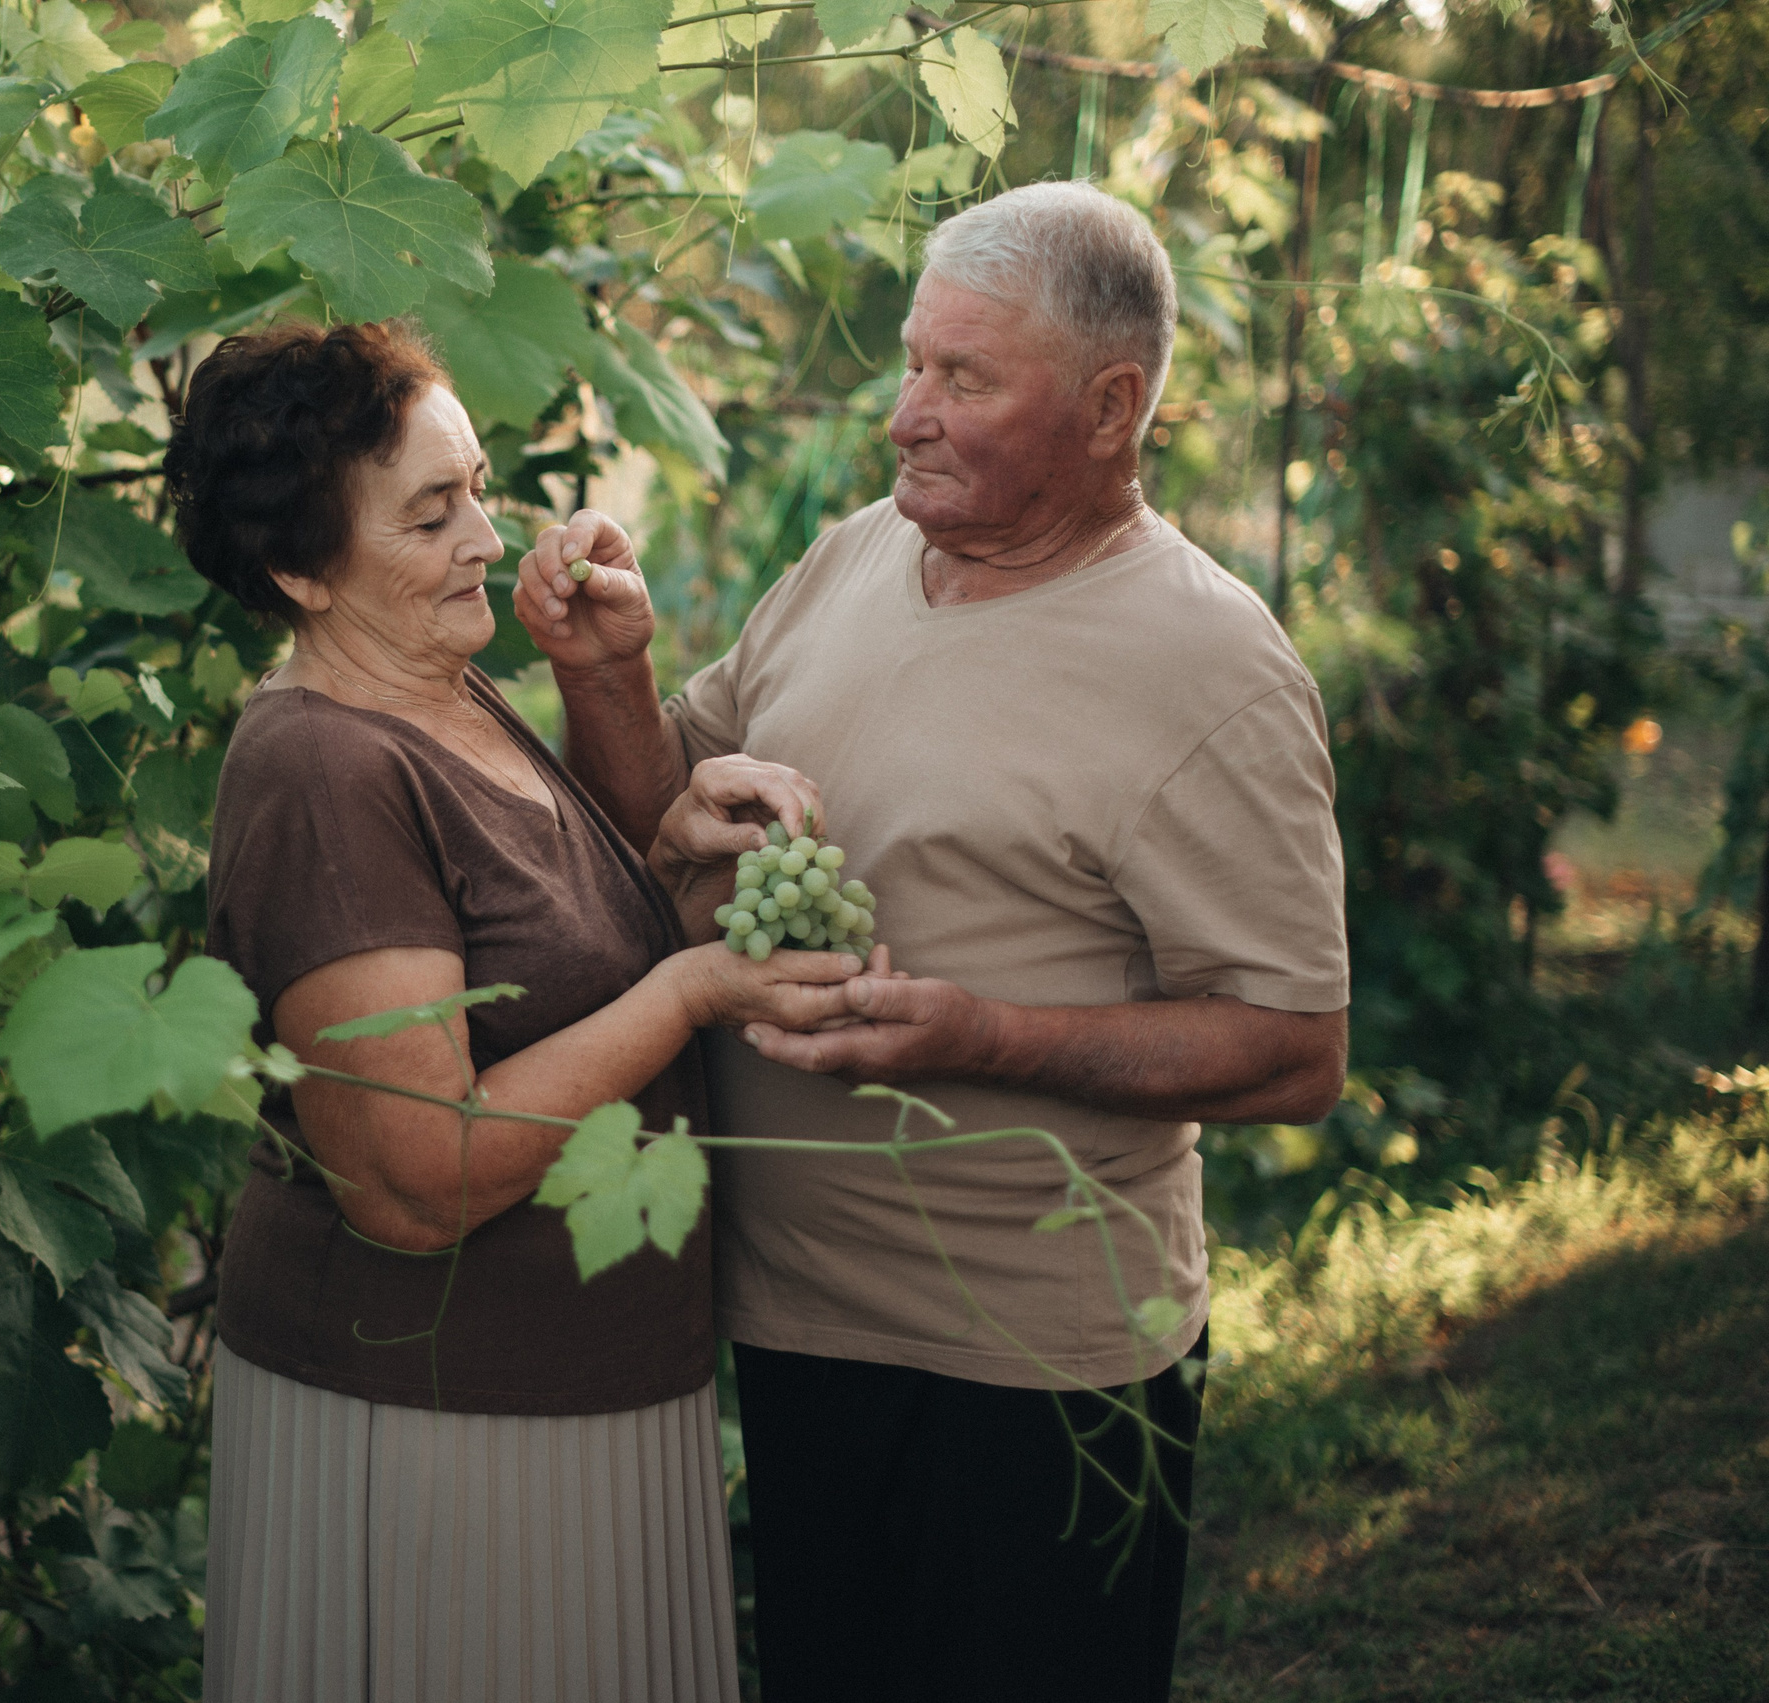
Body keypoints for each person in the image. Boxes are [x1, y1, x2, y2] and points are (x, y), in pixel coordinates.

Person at [512, 181, 1352, 1702]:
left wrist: (985, 1036)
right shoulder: (853, 562)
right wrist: (611, 680)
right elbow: (664, 832)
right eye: (913, 363)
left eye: (965, 379)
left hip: (1039, 1373)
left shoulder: (1212, 665)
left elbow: (1294, 1053)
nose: (905, 414)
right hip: (791, 1320)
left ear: (1112, 408)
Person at [174, 319, 857, 1703]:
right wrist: (693, 992)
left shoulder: (448, 688)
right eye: (434, 515)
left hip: (580, 1387)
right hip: (438, 1428)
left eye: (479, 485)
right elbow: (416, 1178)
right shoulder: (323, 769)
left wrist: (666, 839)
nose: (488, 534)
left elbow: (546, 955)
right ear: (301, 570)